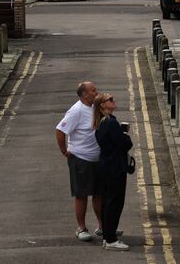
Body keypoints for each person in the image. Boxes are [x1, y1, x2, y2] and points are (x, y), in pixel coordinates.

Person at [55, 81, 102, 241]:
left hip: (98, 159)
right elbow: (60, 130)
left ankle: (102, 227)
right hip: (81, 159)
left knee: (99, 194)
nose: (96, 92)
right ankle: (81, 228)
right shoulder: (76, 111)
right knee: (81, 194)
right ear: (84, 94)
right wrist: (64, 151)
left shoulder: (96, 106)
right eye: (93, 90)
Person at [93, 92, 132, 251]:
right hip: (114, 168)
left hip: (106, 166)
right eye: (110, 99)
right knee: (114, 203)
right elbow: (124, 144)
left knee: (107, 202)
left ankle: (107, 236)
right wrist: (125, 135)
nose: (113, 101)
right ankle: (111, 240)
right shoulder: (110, 123)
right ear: (102, 105)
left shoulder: (101, 123)